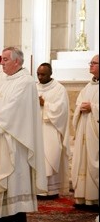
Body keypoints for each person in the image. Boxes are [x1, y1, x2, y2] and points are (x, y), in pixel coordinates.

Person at [0, 47, 47, 222]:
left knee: (13, 175)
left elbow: (15, 108)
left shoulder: (25, 82)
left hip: (14, 139)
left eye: (6, 60)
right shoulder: (3, 79)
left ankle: (14, 214)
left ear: (17, 62)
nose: (2, 62)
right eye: (2, 59)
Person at [36, 62, 71, 198]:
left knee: (50, 158)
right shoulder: (33, 87)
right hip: (36, 129)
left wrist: (45, 104)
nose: (39, 77)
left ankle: (51, 191)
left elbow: (62, 110)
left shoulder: (59, 89)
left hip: (51, 129)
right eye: (38, 74)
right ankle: (38, 189)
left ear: (50, 74)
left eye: (43, 74)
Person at [71, 54, 99, 209]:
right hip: (84, 130)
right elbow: (78, 104)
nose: (91, 65)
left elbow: (92, 106)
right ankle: (82, 198)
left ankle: (95, 199)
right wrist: (80, 109)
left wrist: (93, 108)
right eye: (91, 63)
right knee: (82, 161)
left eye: (94, 63)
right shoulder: (88, 87)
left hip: (95, 133)